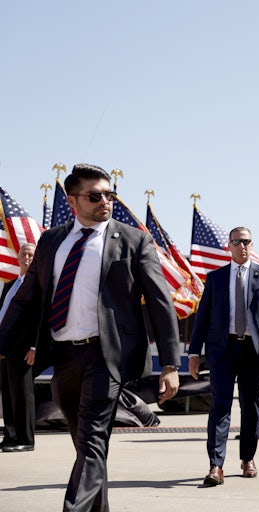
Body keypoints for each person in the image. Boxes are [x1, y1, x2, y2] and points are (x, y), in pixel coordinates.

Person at [0, 164, 180, 511]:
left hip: (106, 357)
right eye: (94, 196)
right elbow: (27, 299)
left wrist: (170, 363)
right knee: (87, 448)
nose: (105, 202)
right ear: (72, 200)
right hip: (64, 358)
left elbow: (161, 304)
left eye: (109, 195)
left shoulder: (133, 240)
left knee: (93, 440)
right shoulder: (52, 241)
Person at [188, 226, 259, 486]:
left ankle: (247, 458)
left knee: (252, 406)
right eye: (236, 242)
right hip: (223, 350)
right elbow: (203, 318)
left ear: (251, 245)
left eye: (246, 241)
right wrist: (193, 353)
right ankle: (216, 465)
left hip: (254, 352)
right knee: (220, 407)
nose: (242, 246)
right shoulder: (216, 278)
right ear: (229, 247)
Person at [0, 243, 36, 452]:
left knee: (23, 395)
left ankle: (26, 439)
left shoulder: (37, 283)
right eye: (24, 253)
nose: (27, 257)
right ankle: (11, 436)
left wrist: (35, 345)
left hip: (23, 349)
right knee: (8, 395)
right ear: (18, 257)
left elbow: (40, 318)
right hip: (5, 348)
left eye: (31, 254)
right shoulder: (10, 285)